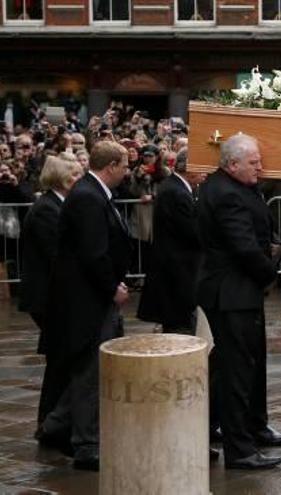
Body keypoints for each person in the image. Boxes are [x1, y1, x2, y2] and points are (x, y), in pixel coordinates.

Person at [196, 133, 281, 470]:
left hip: (240, 290)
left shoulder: (235, 186)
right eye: (254, 163)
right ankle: (239, 449)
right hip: (231, 292)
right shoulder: (224, 193)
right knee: (236, 371)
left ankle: (253, 428)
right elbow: (242, 245)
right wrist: (269, 270)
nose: (260, 168)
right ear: (232, 163)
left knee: (247, 364)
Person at [39, 141, 132, 471]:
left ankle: (54, 425)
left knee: (92, 369)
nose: (127, 171)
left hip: (94, 297)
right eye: (124, 165)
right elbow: (93, 253)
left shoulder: (95, 194)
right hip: (86, 301)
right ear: (110, 166)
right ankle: (87, 444)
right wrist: (113, 287)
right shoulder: (89, 197)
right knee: (89, 373)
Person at [19, 155, 83, 433]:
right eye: (78, 175)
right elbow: (56, 254)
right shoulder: (47, 209)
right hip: (46, 296)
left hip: (54, 295)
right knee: (59, 359)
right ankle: (49, 422)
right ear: (64, 179)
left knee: (60, 358)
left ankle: (53, 420)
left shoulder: (56, 205)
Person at [138, 147, 204, 333]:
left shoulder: (175, 187)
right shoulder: (177, 192)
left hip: (174, 268)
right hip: (177, 271)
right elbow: (191, 232)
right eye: (201, 167)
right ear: (189, 168)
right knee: (179, 329)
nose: (205, 173)